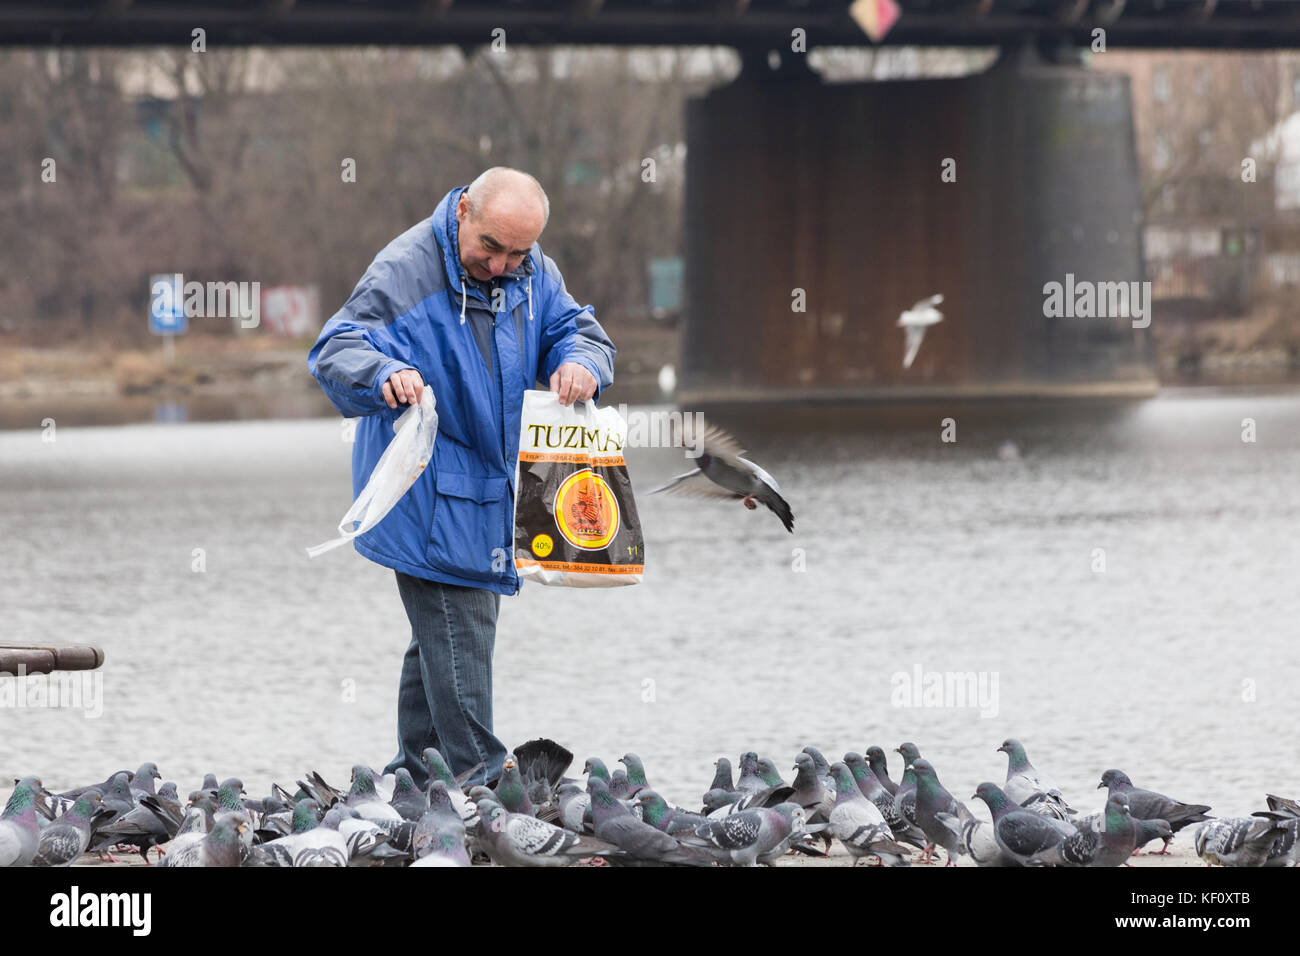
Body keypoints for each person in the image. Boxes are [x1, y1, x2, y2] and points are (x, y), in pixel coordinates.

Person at [307, 167, 616, 788]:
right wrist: (382, 373)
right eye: (491, 247)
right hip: (426, 496)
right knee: (461, 627)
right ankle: (484, 781)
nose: (502, 265)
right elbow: (335, 348)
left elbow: (578, 333)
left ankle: (413, 779)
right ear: (463, 212)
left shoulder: (535, 271)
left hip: (490, 494)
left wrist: (581, 363)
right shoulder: (406, 269)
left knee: (438, 642)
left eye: (518, 252)